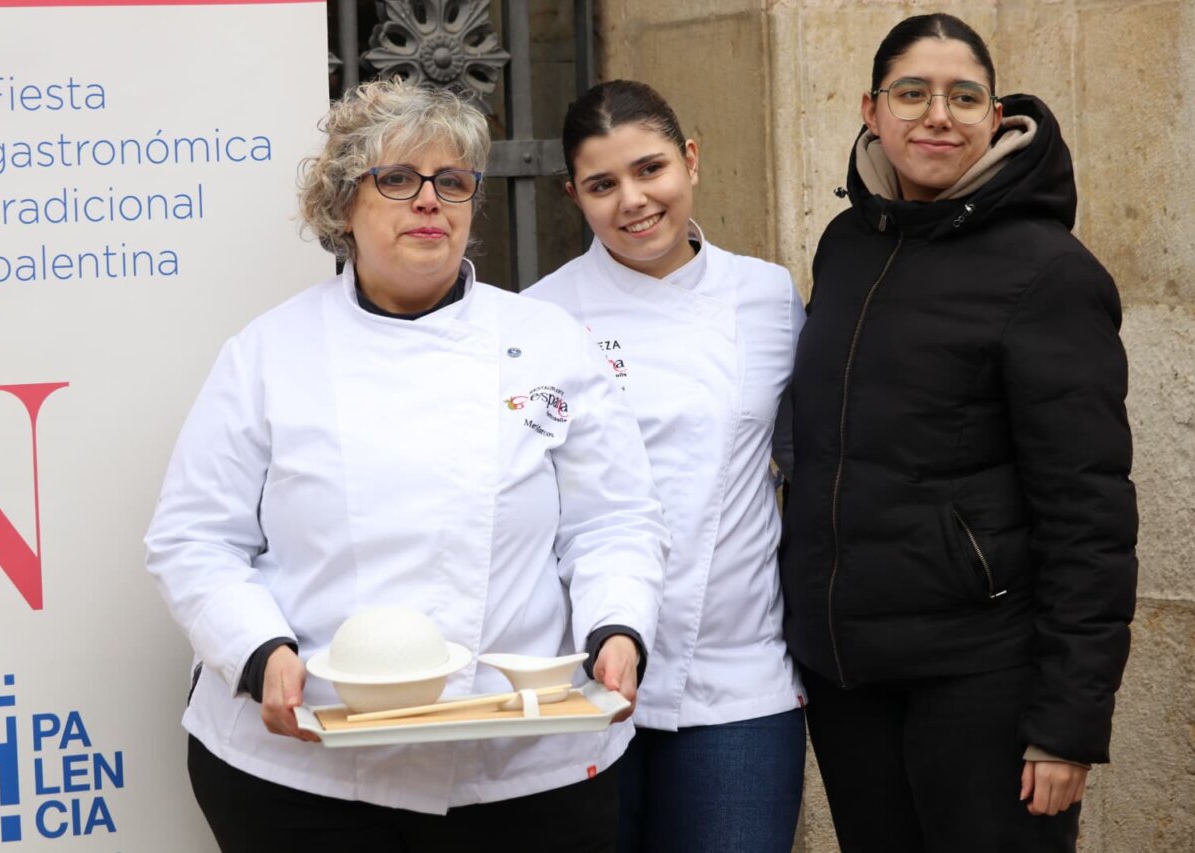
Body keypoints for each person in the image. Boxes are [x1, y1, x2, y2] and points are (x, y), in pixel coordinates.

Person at [145, 79, 669, 853]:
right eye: (397, 178)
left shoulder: (550, 341)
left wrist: (618, 627)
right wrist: (259, 652)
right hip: (306, 771)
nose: (430, 200)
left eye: (452, 181)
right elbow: (193, 538)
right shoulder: (266, 354)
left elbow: (616, 521)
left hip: (519, 764)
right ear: (341, 203)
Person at [779, 13, 1138, 853]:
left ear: (994, 114)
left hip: (984, 681)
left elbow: (1090, 511)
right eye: (912, 92)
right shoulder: (846, 245)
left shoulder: (1049, 272)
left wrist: (1067, 723)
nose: (937, 114)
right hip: (851, 676)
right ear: (871, 109)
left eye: (963, 95)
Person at [526, 79, 807, 853]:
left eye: (650, 169)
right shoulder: (540, 318)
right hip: (583, 675)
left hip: (739, 676)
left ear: (690, 160)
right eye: (602, 184)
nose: (632, 200)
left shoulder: (769, 296)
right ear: (573, 196)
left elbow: (809, 461)